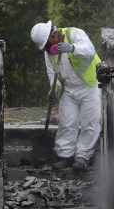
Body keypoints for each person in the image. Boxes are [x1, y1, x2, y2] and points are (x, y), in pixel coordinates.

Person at [30, 21, 102, 173]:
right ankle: (65, 157)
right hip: (69, 90)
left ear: (53, 36)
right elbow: (53, 75)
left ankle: (83, 157)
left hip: (89, 85)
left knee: (91, 122)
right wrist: (54, 90)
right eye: (44, 47)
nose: (47, 49)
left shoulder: (74, 33)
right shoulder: (48, 54)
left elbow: (90, 50)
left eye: (47, 45)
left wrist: (73, 48)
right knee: (67, 123)